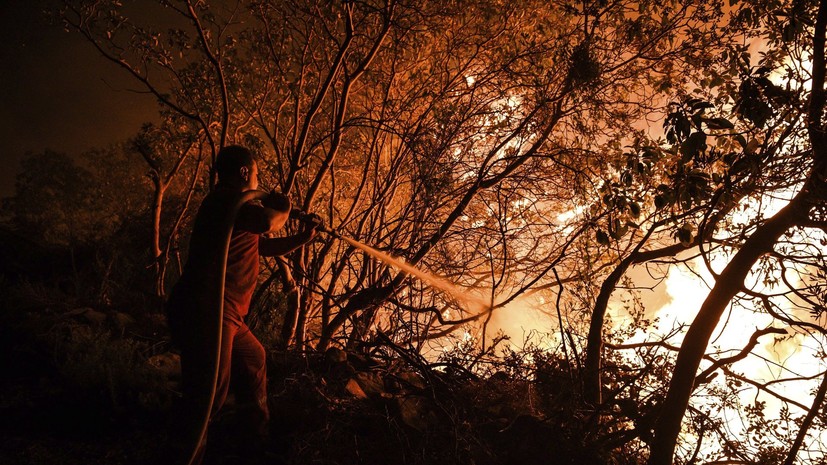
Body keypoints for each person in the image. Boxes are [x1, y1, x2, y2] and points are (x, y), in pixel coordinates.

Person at [166, 145, 318, 464]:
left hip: (230, 314)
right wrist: (285, 207)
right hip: (210, 311)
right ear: (246, 173)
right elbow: (267, 223)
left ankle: (252, 442)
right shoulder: (227, 200)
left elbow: (259, 245)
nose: (258, 180)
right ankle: (185, 454)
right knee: (209, 395)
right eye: (257, 174)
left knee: (253, 360)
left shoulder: (235, 208)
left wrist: (302, 239)